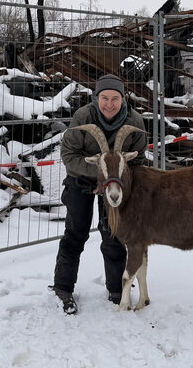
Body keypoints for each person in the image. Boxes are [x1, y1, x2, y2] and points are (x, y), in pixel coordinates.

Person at [50, 73, 147, 314]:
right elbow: (69, 155)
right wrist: (99, 177)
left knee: (114, 236)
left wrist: (112, 183)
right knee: (75, 234)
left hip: (115, 187)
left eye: (115, 98)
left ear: (123, 99)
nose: (109, 104)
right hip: (81, 182)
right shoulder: (83, 116)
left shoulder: (134, 121)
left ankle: (117, 290)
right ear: (96, 97)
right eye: (104, 98)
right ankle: (63, 287)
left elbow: (139, 161)